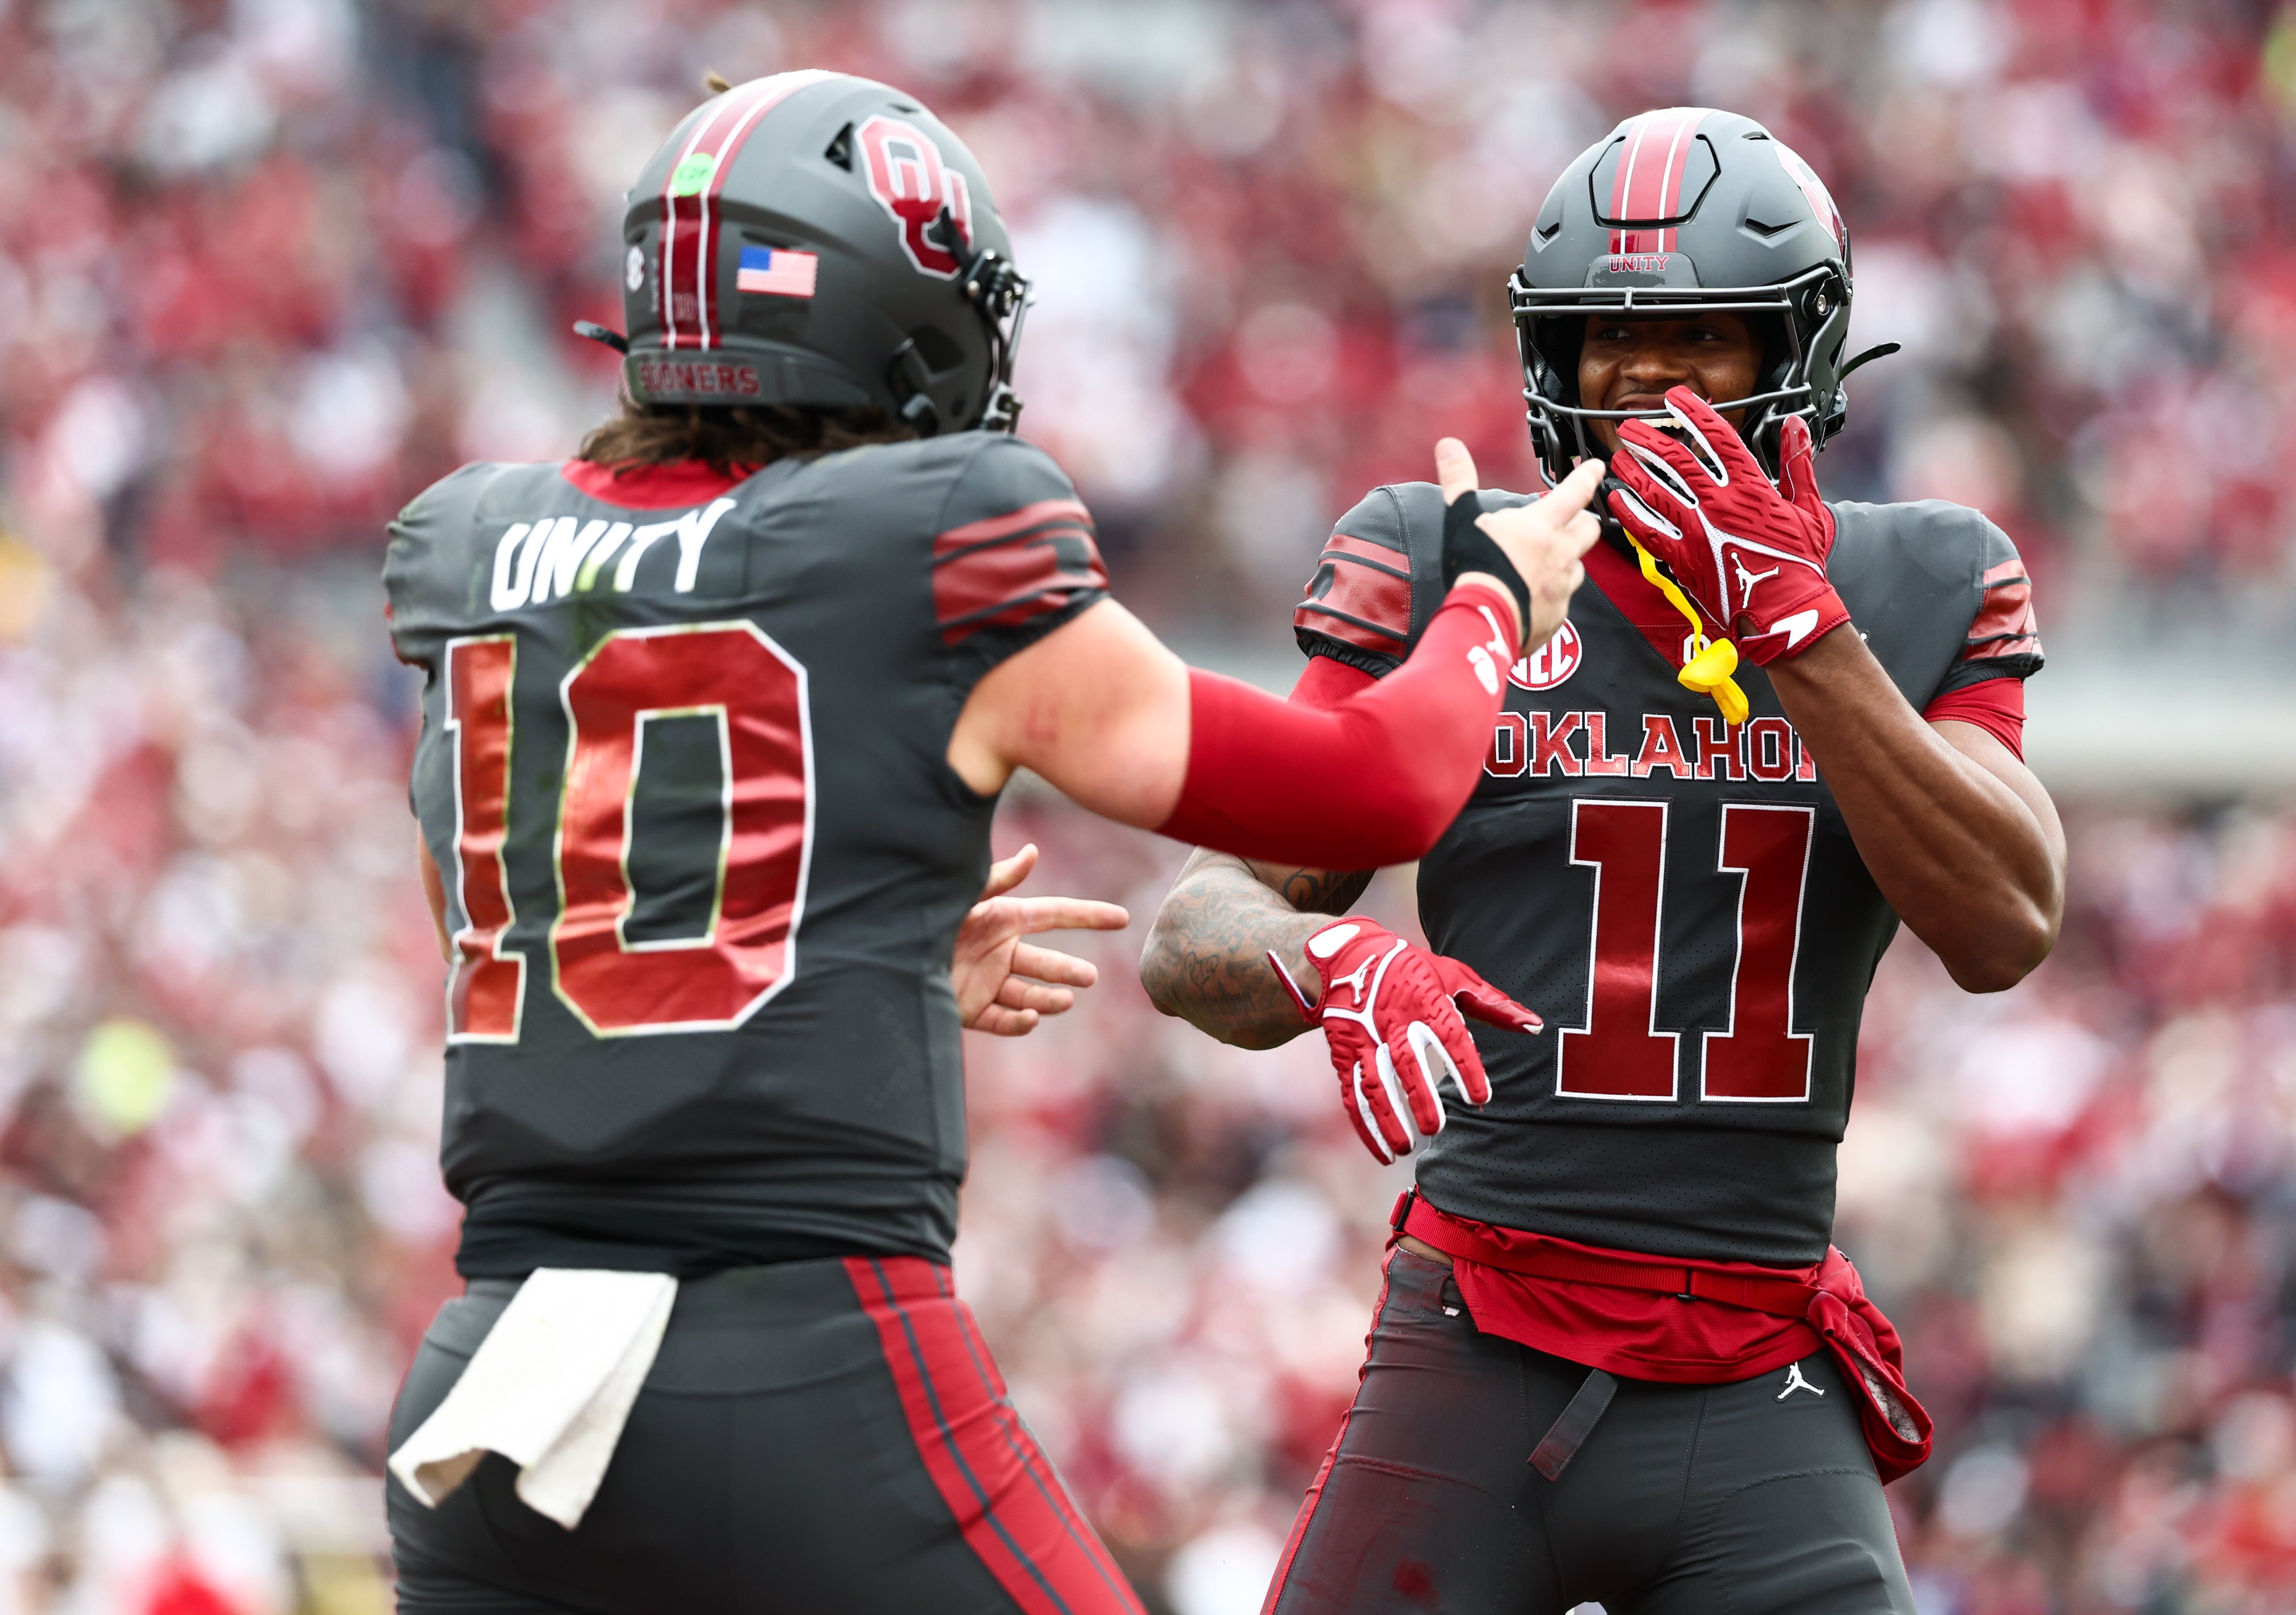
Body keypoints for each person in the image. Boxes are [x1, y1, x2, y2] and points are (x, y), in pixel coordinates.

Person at [376, 69, 1604, 1615]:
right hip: (795, 1364)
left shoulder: (474, 541)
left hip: (494, 1385)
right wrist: (1491, 600)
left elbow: (538, 940)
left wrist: (835, 950)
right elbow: (1365, 792)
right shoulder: (931, 530)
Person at [1140, 105, 2064, 1615]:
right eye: (1607, 335)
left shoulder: (1921, 575)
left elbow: (2005, 923)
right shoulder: (1452, 559)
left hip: (1758, 1372)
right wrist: (1329, 958)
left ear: (1798, 349)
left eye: (1699, 334)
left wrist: (1800, 630)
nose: (1643, 374)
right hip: (1478, 1342)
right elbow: (1196, 926)